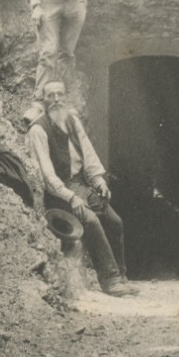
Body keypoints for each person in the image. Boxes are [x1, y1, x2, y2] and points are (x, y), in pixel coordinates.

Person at [28, 81, 137, 296]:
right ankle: (110, 280)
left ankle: (122, 277)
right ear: (44, 100)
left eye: (60, 94)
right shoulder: (38, 130)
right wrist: (70, 198)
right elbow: (47, 176)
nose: (57, 99)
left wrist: (99, 182)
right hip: (58, 193)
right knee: (91, 221)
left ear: (66, 97)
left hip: (80, 184)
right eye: (51, 95)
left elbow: (88, 155)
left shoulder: (72, 121)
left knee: (115, 222)